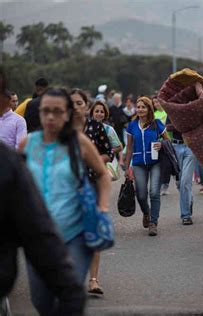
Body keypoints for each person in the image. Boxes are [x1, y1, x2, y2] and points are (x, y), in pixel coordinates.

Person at [19, 88, 111, 315]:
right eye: (46, 111)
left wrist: (102, 207)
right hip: (38, 236)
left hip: (76, 234)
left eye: (57, 111)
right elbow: (17, 183)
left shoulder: (79, 142)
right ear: (39, 113)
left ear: (67, 114)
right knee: (42, 302)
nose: (51, 117)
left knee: (69, 295)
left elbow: (102, 174)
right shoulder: (27, 144)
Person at [0, 141, 86, 316]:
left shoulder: (6, 162)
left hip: (70, 227)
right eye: (46, 111)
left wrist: (69, 290)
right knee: (40, 300)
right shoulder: (22, 149)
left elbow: (36, 231)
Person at [71, 93, 115, 296]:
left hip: (91, 184)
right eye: (71, 104)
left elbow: (109, 152)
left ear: (86, 106)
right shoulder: (61, 130)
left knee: (92, 231)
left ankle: (93, 280)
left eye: (79, 103)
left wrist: (92, 159)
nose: (76, 107)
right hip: (67, 188)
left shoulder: (96, 127)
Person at [124, 96, 168, 236]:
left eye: (144, 107)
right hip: (138, 163)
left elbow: (168, 140)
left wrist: (161, 144)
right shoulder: (132, 125)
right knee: (141, 195)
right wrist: (126, 167)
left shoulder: (156, 123)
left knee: (154, 192)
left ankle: (153, 223)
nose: (140, 109)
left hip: (155, 162)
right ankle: (146, 213)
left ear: (149, 109)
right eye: (138, 107)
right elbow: (129, 147)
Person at [166, 116, 196, 225]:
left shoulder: (192, 108)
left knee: (185, 181)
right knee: (179, 183)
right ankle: (189, 199)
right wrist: (182, 125)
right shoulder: (173, 108)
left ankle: (186, 215)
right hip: (175, 146)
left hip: (190, 147)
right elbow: (167, 127)